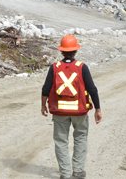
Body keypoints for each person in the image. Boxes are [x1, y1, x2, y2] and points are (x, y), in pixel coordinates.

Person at [41, 35, 102, 179]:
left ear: (61, 51)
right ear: (75, 51)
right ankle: (78, 171)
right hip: (80, 111)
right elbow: (92, 89)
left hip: (60, 111)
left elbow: (45, 88)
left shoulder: (54, 67)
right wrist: (98, 109)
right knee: (80, 138)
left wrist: (43, 105)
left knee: (61, 141)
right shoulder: (82, 67)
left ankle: (65, 173)